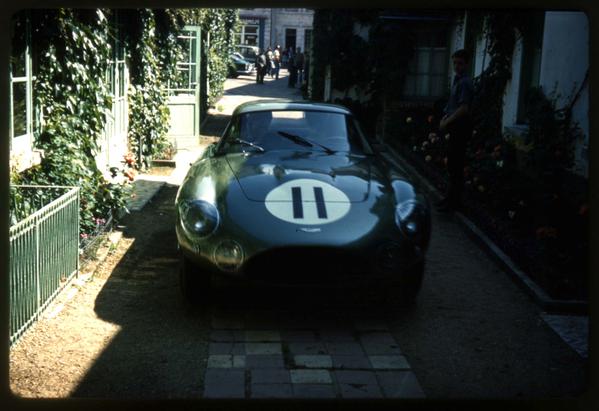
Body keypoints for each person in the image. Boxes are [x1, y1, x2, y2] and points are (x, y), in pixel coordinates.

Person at [436, 49, 474, 212]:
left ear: (466, 64)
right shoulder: (457, 81)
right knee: (452, 164)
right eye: (455, 63)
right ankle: (450, 199)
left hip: (460, 128)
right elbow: (451, 105)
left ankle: (454, 202)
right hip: (454, 127)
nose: (456, 66)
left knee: (456, 165)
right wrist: (444, 118)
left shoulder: (465, 82)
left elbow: (464, 108)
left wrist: (447, 122)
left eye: (460, 63)